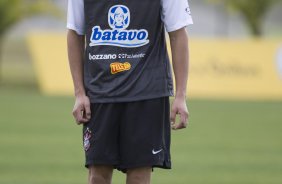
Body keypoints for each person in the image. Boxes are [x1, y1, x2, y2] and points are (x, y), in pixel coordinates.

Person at [67, 0, 193, 183]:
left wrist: (181, 96)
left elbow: (178, 33)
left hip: (147, 92)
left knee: (139, 177)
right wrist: (79, 93)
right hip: (100, 92)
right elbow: (75, 33)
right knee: (97, 177)